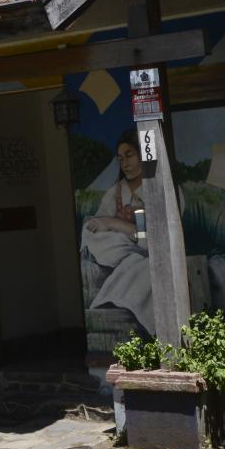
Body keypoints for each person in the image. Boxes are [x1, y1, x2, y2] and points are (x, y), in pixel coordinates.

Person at [80, 129, 156, 336]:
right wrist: (107, 224)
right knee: (92, 230)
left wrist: (118, 224)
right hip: (124, 248)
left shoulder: (156, 186)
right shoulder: (116, 191)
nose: (125, 163)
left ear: (142, 154)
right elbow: (98, 223)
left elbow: (159, 228)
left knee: (141, 258)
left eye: (129, 155)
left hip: (150, 246)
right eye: (121, 158)